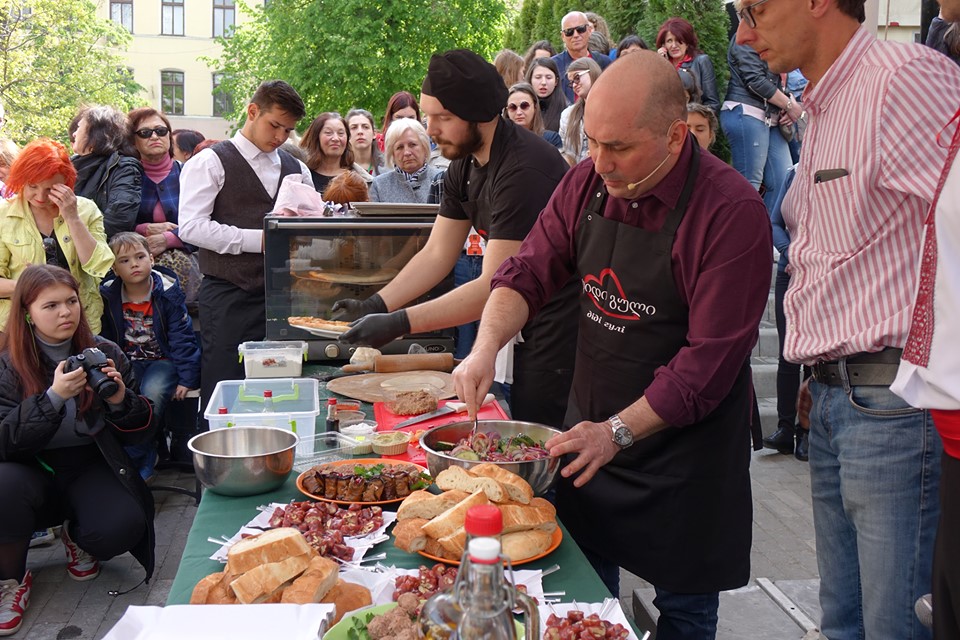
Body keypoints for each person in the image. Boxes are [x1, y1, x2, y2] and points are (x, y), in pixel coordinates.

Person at [453, 51, 771, 639]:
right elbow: (525, 273)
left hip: (685, 462)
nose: (600, 163)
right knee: (586, 607)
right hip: (589, 443)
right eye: (592, 142)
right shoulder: (587, 182)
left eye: (618, 148)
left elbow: (706, 365)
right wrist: (483, 347)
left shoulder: (731, 213)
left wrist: (617, 431)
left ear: (676, 136)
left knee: (684, 617)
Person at [736, 0, 960, 635]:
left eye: (755, 8)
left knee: (894, 625)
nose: (745, 33)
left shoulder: (904, 78)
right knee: (843, 622)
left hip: (892, 400)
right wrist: (819, 371)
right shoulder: (825, 104)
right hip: (840, 396)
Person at [336, 49, 578, 428]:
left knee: (537, 434)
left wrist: (398, 321)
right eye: (429, 115)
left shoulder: (524, 170)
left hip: (556, 330)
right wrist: (376, 303)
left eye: (442, 118)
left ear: (479, 114)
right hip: (514, 321)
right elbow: (436, 253)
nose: (430, 129)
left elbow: (491, 287)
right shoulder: (463, 165)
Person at [0, 265, 156, 636]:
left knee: (122, 526)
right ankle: (9, 579)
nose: (65, 312)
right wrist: (53, 398)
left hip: (89, 463)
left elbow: (142, 436)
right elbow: (5, 442)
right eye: (50, 305)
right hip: (27, 468)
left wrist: (120, 400)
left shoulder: (104, 351)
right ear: (27, 312)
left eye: (71, 301)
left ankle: (78, 536)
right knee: (2, 484)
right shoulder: (7, 362)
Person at [178, 80, 313, 427]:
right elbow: (191, 227)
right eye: (275, 125)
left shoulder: (298, 169)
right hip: (228, 296)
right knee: (225, 391)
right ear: (253, 111)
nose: (281, 136)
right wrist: (262, 240)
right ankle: (217, 473)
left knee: (285, 392)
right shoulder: (210, 162)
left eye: (289, 129)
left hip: (286, 299)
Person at [99, 232, 201, 481]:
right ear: (114, 268)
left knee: (150, 395)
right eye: (124, 261)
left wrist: (188, 378)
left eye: (140, 256)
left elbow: (182, 337)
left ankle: (136, 461)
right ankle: (138, 453)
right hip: (128, 362)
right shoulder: (109, 294)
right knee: (119, 400)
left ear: (152, 259)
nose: (134, 264)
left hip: (162, 361)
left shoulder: (167, 293)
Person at [0, 139, 114, 334]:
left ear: (66, 183)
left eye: (51, 189)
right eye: (32, 187)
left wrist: (72, 217)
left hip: (78, 321)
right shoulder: (4, 215)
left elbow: (99, 266)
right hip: (21, 324)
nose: (40, 197)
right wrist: (27, 285)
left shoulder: (85, 210)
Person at [127, 108, 201, 309]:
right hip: (135, 276)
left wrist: (169, 239)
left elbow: (208, 222)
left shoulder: (189, 173)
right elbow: (112, 224)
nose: (154, 136)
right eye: (145, 132)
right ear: (133, 140)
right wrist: (144, 230)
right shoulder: (124, 177)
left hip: (189, 276)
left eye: (160, 130)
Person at [762, 166, 809, 459]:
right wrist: (789, 252)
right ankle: (784, 429)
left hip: (819, 274)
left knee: (812, 355)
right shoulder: (793, 174)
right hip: (788, 272)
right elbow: (775, 222)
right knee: (787, 353)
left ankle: (807, 432)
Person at [720, 36, 798, 210]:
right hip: (746, 111)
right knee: (749, 187)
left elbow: (777, 80)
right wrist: (789, 105)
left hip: (771, 117)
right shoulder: (746, 37)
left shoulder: (775, 36)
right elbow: (755, 80)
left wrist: (786, 104)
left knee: (783, 181)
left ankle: (768, 233)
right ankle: (742, 235)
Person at [70, 105, 142, 240]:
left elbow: (118, 221)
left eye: (79, 128)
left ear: (96, 134)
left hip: (100, 250)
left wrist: (74, 236)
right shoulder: (70, 165)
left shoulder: (123, 167)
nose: (74, 134)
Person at [369, 118, 443, 204]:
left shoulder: (442, 180)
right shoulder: (379, 185)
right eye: (399, 147)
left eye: (412, 145)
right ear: (392, 153)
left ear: (424, 146)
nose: (407, 152)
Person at [656, 18, 720, 112]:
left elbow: (712, 104)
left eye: (679, 40)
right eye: (669, 41)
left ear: (687, 42)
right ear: (663, 45)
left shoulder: (701, 61)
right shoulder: (661, 67)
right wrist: (661, 65)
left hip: (694, 120)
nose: (674, 45)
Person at [301, 112, 372, 196]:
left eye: (341, 133)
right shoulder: (301, 175)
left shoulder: (362, 179)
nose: (335, 138)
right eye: (328, 133)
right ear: (316, 137)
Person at [553, 11, 613, 103]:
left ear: (589, 31)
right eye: (569, 32)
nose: (576, 35)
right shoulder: (554, 66)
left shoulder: (605, 62)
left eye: (580, 29)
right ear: (563, 36)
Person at [559, 58, 602, 164]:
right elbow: (564, 152)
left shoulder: (612, 109)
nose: (574, 85)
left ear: (592, 73)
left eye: (577, 78)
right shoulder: (567, 115)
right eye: (571, 82)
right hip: (578, 174)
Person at [504, 82, 563, 151]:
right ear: (507, 111)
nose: (519, 112)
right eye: (512, 107)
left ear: (535, 107)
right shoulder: (499, 142)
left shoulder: (551, 140)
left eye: (524, 105)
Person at [525, 57, 568, 134]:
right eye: (538, 77)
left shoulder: (566, 111)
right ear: (530, 79)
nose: (543, 82)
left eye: (548, 77)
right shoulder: (520, 107)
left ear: (556, 81)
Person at [346, 109, 385, 177]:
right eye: (354, 127)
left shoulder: (389, 167)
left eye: (365, 127)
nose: (360, 131)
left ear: (374, 134)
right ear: (346, 135)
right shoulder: (339, 168)